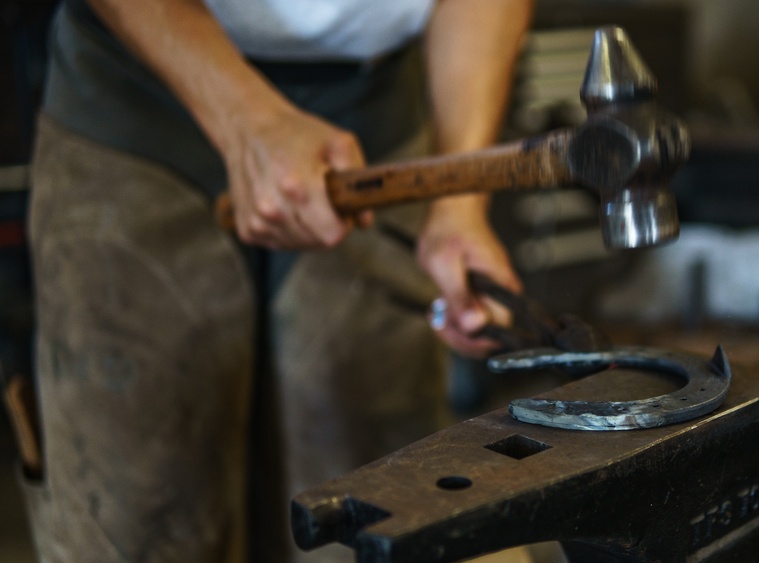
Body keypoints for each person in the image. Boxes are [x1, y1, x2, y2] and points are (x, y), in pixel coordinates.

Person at [22, 0, 532, 561]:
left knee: (374, 497)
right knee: (136, 509)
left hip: (372, 116)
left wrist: (458, 206)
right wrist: (248, 120)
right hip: (134, 96)